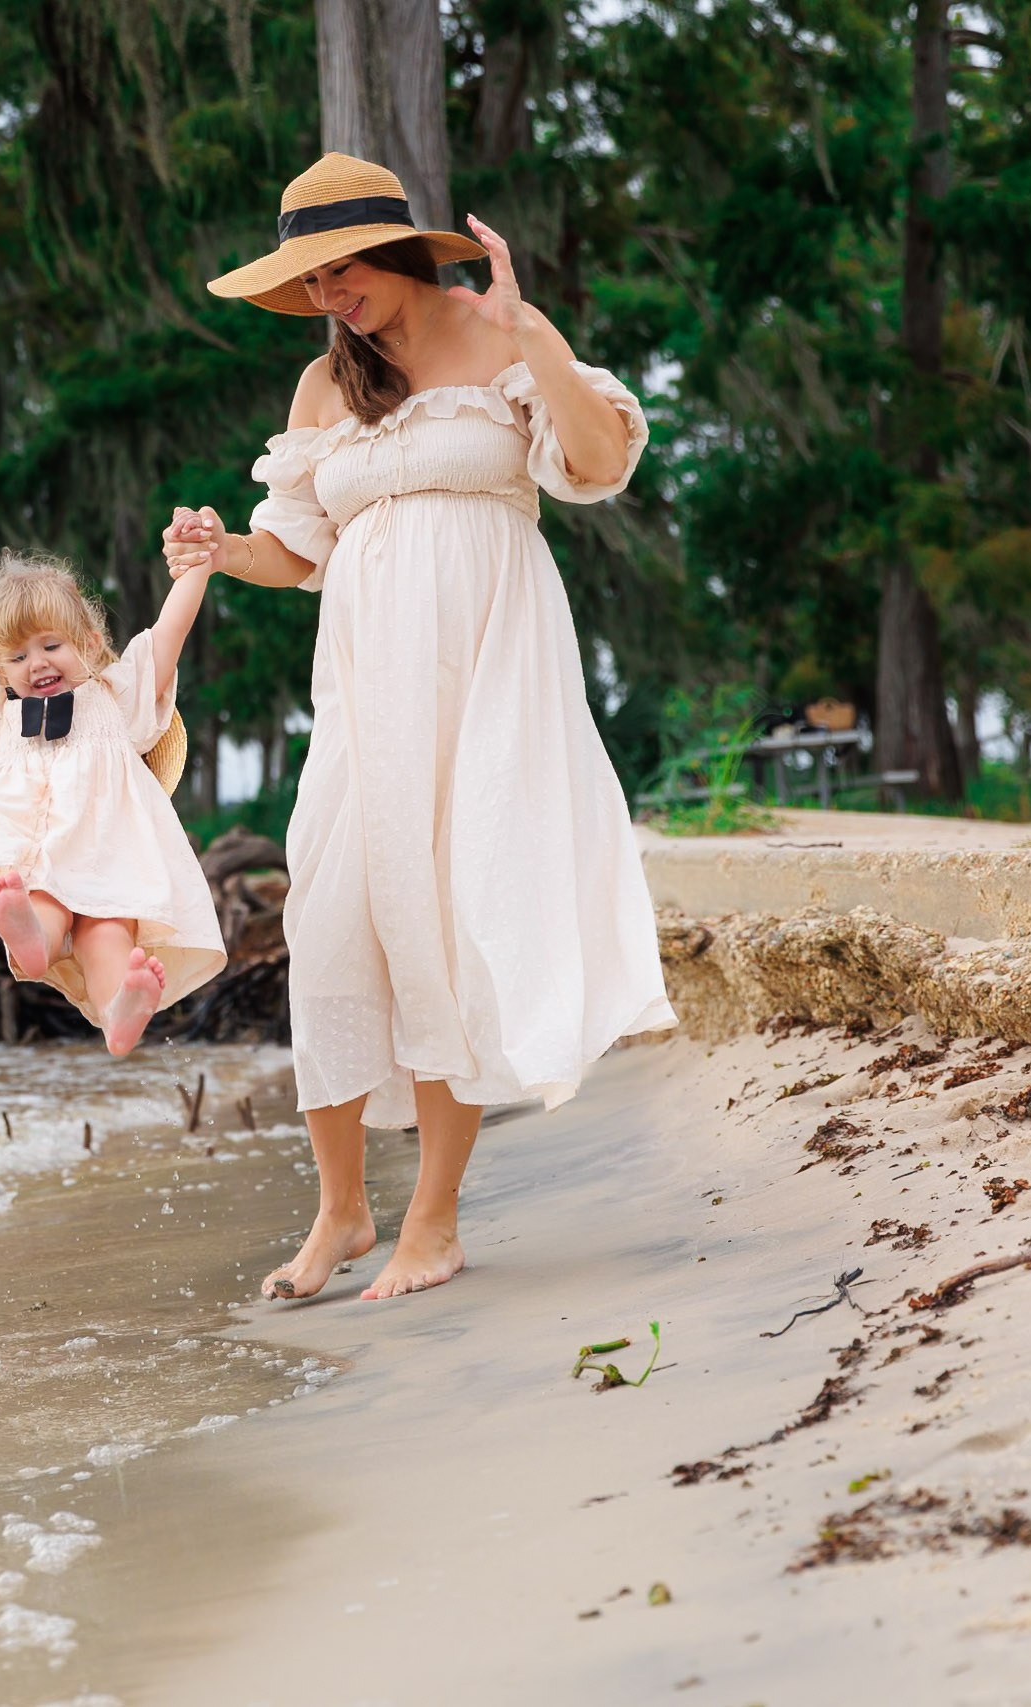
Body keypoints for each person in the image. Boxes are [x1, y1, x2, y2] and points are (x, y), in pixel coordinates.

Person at [162, 153, 673, 1303]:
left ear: (394, 249)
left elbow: (596, 465)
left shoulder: (497, 339)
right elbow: (300, 549)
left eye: (338, 270)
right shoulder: (320, 388)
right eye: (309, 281)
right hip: (363, 687)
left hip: (484, 669)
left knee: (441, 921)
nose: (326, 296)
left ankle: (432, 1220)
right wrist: (219, 550)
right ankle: (341, 1211)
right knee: (336, 917)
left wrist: (533, 334)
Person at [0, 552, 227, 1056]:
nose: (35, 663)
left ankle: (119, 1011)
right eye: (16, 657)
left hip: (110, 862)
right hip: (38, 862)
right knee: (42, 904)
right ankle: (31, 940)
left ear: (91, 643)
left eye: (51, 645)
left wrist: (198, 566)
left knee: (108, 940)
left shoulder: (116, 698)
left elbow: (170, 632)